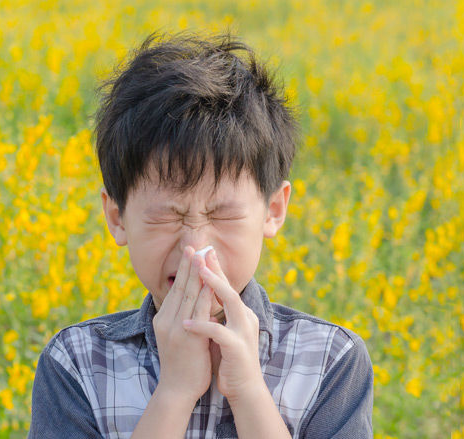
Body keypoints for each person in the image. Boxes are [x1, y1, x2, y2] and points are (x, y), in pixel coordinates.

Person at [29, 30, 373, 439]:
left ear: (274, 210)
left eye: (223, 215)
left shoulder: (331, 362)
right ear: (117, 217)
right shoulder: (77, 364)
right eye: (165, 216)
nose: (195, 248)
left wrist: (247, 391)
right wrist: (174, 392)